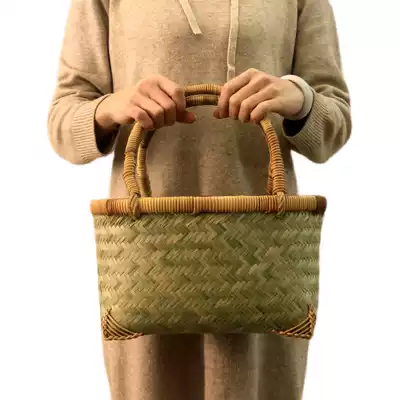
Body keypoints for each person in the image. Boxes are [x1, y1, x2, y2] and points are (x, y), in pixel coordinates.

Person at [48, 0, 351, 399]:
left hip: (261, 257)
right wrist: (114, 105)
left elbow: (334, 123)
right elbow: (63, 124)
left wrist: (299, 97)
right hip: (147, 256)